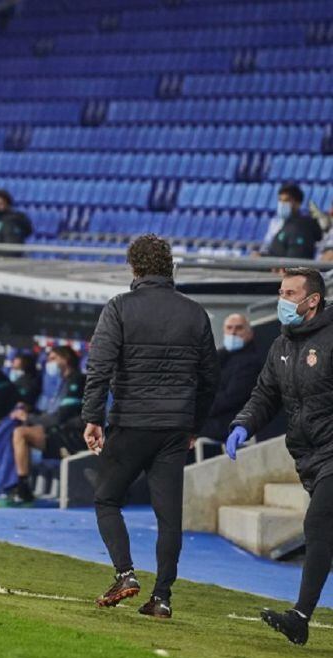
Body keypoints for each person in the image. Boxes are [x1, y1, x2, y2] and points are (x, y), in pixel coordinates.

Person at [82, 234, 218, 619]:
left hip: (131, 422)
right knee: (168, 517)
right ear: (168, 266)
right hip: (175, 427)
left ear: (134, 267)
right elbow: (210, 378)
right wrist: (194, 424)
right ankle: (162, 597)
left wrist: (92, 417)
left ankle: (125, 574)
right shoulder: (195, 313)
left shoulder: (120, 308)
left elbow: (100, 367)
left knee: (107, 499)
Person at [226, 268, 333, 646]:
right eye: (281, 291)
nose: (282, 299)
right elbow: (265, 395)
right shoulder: (282, 345)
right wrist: (243, 425)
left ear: (313, 300)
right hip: (309, 454)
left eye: (290, 292)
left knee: (318, 525)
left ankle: (300, 617)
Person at [0, 346, 85, 508]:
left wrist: (28, 417)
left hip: (75, 437)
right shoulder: (63, 382)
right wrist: (31, 410)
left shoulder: (77, 380)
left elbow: (60, 417)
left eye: (53, 358)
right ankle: (16, 486)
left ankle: (23, 492)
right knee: (15, 431)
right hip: (60, 432)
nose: (49, 362)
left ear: (66, 359)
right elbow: (53, 414)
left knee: (21, 433)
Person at [198, 314, 263, 442]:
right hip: (211, 418)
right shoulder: (218, 357)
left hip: (230, 422)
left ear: (249, 333)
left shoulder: (251, 362)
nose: (233, 332)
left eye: (239, 328)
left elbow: (231, 398)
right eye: (229, 328)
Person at [260, 183, 323, 259]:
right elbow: (269, 247)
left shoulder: (303, 226)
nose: (282, 204)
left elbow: (294, 257)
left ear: (298, 203)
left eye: (286, 201)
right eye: (280, 200)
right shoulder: (275, 222)